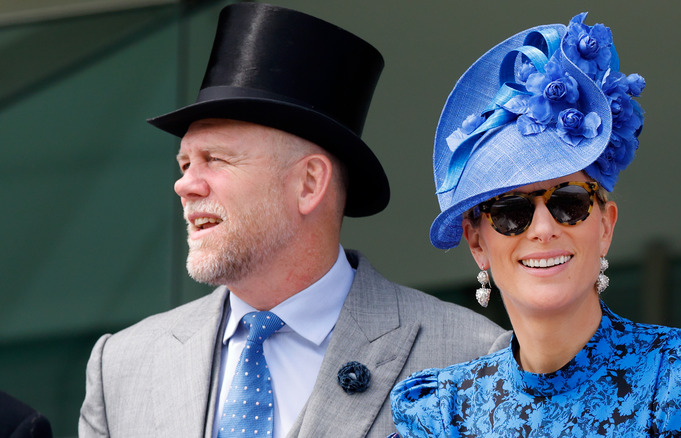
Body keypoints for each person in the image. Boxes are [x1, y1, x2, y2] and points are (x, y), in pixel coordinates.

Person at [78, 3, 510, 438]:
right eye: (185, 163)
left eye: (215, 160)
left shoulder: (471, 358)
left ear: (308, 183)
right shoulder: (120, 367)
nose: (186, 185)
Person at [390, 12, 681, 437]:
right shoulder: (443, 413)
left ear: (605, 225)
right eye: (511, 210)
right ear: (476, 241)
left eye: (569, 202)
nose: (544, 228)